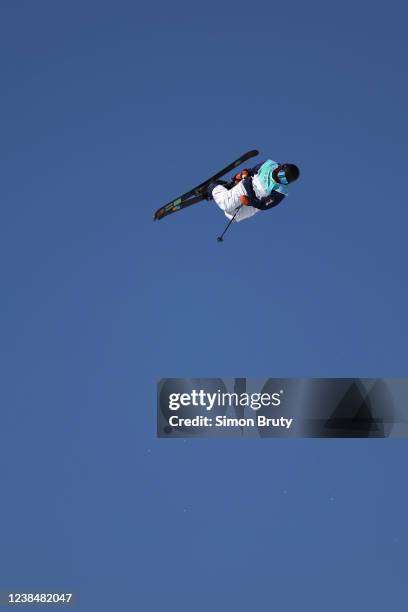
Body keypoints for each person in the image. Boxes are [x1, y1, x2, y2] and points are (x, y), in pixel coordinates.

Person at [206, 159, 300, 222]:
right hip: (246, 187)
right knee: (226, 204)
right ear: (281, 168)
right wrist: (244, 173)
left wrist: (249, 202)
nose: (280, 180)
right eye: (282, 176)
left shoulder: (280, 190)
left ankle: (226, 191)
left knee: (232, 216)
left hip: (254, 202)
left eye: (284, 180)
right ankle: (212, 187)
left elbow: (264, 205)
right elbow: (251, 171)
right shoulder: (269, 165)